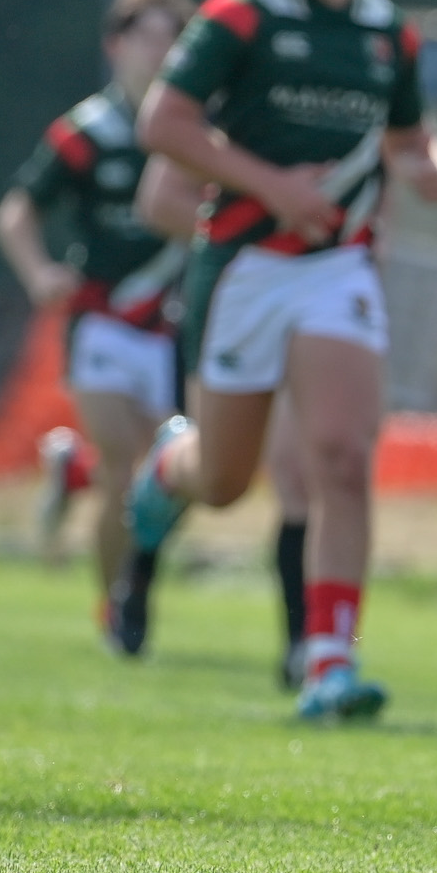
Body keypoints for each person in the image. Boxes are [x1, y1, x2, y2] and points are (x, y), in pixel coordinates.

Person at [119, 0, 437, 720]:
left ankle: (328, 659)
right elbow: (163, 121)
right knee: (226, 481)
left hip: (337, 267)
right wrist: (275, 189)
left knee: (342, 457)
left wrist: (430, 167)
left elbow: (412, 136)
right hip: (243, 266)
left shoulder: (389, 31)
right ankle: (171, 464)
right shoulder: (243, 16)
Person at [0, 0, 195, 646]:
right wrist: (39, 272)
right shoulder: (88, 131)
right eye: (146, 38)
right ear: (116, 45)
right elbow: (16, 211)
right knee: (123, 465)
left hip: (167, 328)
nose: (160, 53)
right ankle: (118, 609)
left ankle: (72, 474)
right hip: (102, 322)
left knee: (175, 479)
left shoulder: (197, 132)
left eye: (175, 39)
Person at [135, 153, 316, 689]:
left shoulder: (365, 82)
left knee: (304, 472)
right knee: (220, 480)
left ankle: (307, 651)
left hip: (320, 297)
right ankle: (165, 472)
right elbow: (160, 200)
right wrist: (262, 220)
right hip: (237, 291)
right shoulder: (232, 81)